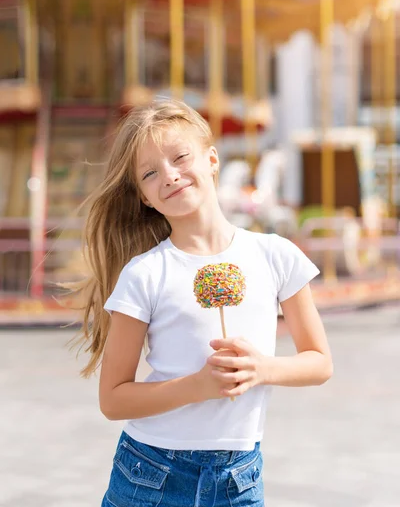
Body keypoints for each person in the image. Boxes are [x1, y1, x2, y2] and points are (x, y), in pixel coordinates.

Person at [72, 98, 333, 507]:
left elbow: (319, 362)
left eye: (180, 157)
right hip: (150, 471)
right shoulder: (144, 274)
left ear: (212, 160)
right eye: (150, 173)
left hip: (239, 476)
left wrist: (261, 369)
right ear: (143, 196)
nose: (170, 176)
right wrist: (198, 386)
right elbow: (113, 399)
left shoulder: (276, 255)